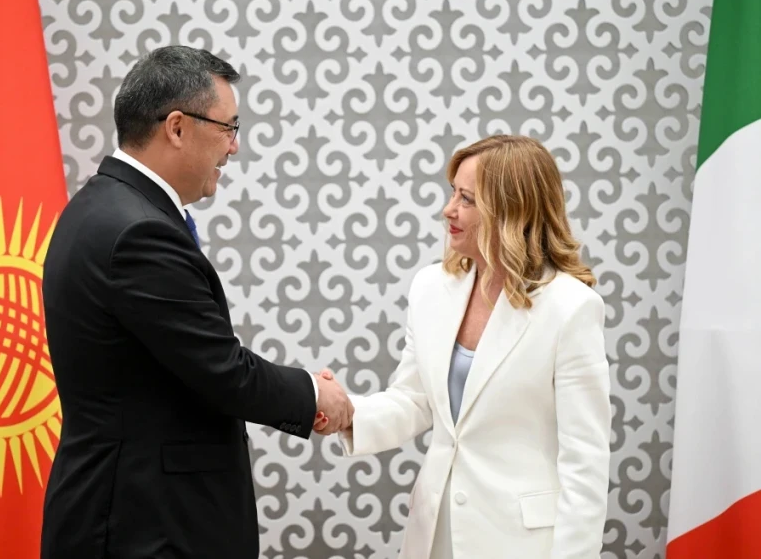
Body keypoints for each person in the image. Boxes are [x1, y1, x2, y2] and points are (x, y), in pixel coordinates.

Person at [40, 46, 352, 559]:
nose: (235, 147)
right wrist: (315, 395)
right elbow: (222, 370)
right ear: (178, 128)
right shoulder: (138, 231)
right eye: (229, 127)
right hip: (142, 528)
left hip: (132, 515)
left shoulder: (106, 206)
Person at [315, 135, 611, 558]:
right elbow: (414, 400)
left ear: (511, 209)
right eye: (453, 192)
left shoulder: (571, 307)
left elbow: (585, 461)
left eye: (467, 199)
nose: (448, 209)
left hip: (521, 543)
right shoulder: (431, 287)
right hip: (434, 534)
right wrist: (346, 414)